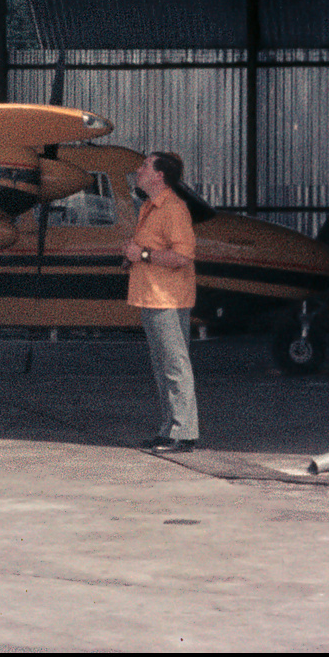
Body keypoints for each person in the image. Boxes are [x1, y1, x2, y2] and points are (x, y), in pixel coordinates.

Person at [122, 151, 199, 454]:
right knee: (162, 366)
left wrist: (140, 255)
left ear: (159, 175)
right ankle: (170, 428)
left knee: (174, 365)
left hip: (168, 298)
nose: (138, 171)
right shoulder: (149, 207)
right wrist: (134, 253)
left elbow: (182, 256)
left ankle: (184, 432)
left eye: (144, 166)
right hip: (152, 296)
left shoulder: (174, 209)